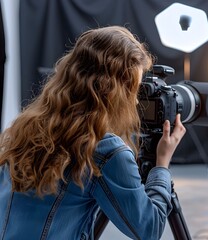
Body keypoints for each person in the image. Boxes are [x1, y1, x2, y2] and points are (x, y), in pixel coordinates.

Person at [0, 26, 186, 240]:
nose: (135, 101)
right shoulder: (105, 150)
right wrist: (161, 164)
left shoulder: (25, 128)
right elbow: (148, 230)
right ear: (113, 91)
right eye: (133, 90)